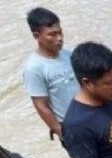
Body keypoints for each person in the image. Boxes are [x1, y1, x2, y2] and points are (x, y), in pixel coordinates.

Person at [23, 7, 78, 141]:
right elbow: (41, 105)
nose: (59, 38)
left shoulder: (68, 55)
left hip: (91, 119)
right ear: (37, 36)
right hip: (71, 128)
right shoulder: (33, 68)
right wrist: (62, 133)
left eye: (60, 33)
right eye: (52, 34)